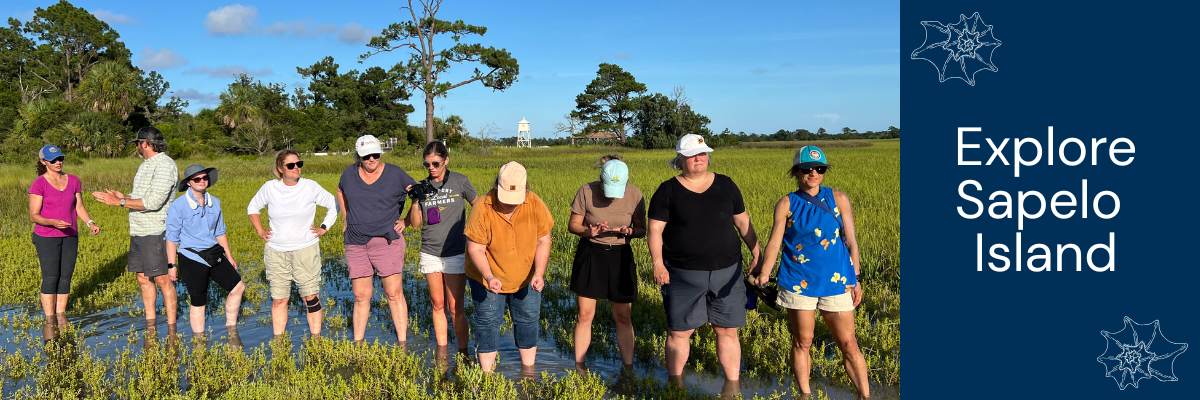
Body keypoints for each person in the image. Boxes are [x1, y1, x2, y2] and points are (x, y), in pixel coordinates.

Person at [754, 146, 869, 398]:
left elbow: (851, 241)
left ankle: (865, 395)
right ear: (796, 172)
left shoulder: (838, 199)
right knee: (802, 342)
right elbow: (775, 241)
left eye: (819, 169)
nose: (813, 173)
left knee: (849, 344)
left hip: (837, 281)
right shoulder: (786, 203)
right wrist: (764, 273)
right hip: (798, 281)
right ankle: (805, 395)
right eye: (806, 169)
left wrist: (856, 278)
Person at [648, 133, 760, 387]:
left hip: (728, 272)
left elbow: (742, 221)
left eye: (702, 154)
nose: (698, 159)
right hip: (682, 273)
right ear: (680, 159)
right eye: (691, 155)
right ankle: (675, 385)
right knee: (680, 332)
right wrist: (658, 263)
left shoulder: (726, 184)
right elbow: (655, 229)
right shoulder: (667, 190)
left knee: (727, 331)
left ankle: (731, 387)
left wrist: (756, 250)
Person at [463, 161, 553, 372]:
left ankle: (528, 372)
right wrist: (488, 275)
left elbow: (543, 240)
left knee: (528, 320)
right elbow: (475, 248)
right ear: (497, 187)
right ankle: (486, 377)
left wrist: (539, 273)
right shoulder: (482, 207)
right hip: (486, 276)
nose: (510, 204)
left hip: (526, 276)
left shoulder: (535, 203)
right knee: (487, 322)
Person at [92, 127, 179, 327]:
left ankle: (172, 327)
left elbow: (155, 202)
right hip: (138, 229)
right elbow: (140, 196)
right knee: (142, 277)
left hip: (156, 229)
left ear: (145, 144)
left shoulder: (165, 165)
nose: (137, 147)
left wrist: (119, 203)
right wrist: (123, 196)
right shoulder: (145, 165)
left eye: (138, 143)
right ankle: (151, 322)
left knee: (162, 278)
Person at [248, 149, 339, 338]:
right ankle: (279, 342)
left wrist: (323, 227)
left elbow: (333, 204)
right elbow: (253, 207)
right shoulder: (269, 188)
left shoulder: (310, 186)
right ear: (280, 168)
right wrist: (260, 231)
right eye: (291, 165)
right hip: (276, 251)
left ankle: (316, 340)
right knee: (279, 299)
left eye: (299, 164)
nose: (296, 168)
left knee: (311, 298)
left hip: (306, 250)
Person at [567, 155, 645, 372]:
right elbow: (573, 224)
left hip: (620, 256)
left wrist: (628, 231)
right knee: (584, 314)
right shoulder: (586, 191)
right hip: (591, 252)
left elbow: (641, 229)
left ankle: (628, 368)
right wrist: (588, 231)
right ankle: (579, 365)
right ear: (601, 181)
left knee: (623, 315)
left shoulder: (635, 195)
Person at [337, 135, 416, 343]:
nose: (371, 159)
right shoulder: (349, 174)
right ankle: (358, 343)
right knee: (361, 296)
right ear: (358, 157)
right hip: (356, 242)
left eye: (375, 155)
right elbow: (340, 190)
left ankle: (402, 343)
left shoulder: (395, 173)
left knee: (393, 293)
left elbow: (417, 194)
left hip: (387, 241)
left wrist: (406, 221)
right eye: (366, 156)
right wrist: (346, 217)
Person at [405, 142, 477, 354]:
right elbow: (416, 224)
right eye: (427, 164)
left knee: (455, 307)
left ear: (446, 160)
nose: (431, 168)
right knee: (437, 304)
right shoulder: (423, 186)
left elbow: (478, 205)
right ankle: (443, 351)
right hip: (430, 251)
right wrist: (416, 201)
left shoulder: (460, 181)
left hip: (455, 250)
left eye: (435, 163)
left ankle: (463, 351)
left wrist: (477, 236)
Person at [165, 165, 246, 335]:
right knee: (198, 301)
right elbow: (172, 238)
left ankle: (231, 329)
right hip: (191, 257)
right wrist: (171, 265)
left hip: (214, 253)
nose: (202, 181)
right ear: (188, 183)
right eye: (197, 179)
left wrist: (229, 257)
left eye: (205, 178)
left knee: (238, 287)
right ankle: (199, 341)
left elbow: (220, 232)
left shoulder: (215, 202)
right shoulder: (178, 206)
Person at [29, 145, 101, 319]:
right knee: (51, 277)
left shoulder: (74, 180)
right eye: (53, 160)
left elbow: (79, 206)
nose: (58, 162)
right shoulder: (39, 184)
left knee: (66, 276)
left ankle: (61, 316)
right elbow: (34, 216)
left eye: (60, 158)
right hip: (46, 237)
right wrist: (52, 222)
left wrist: (90, 223)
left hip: (70, 235)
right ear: (43, 161)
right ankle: (49, 319)